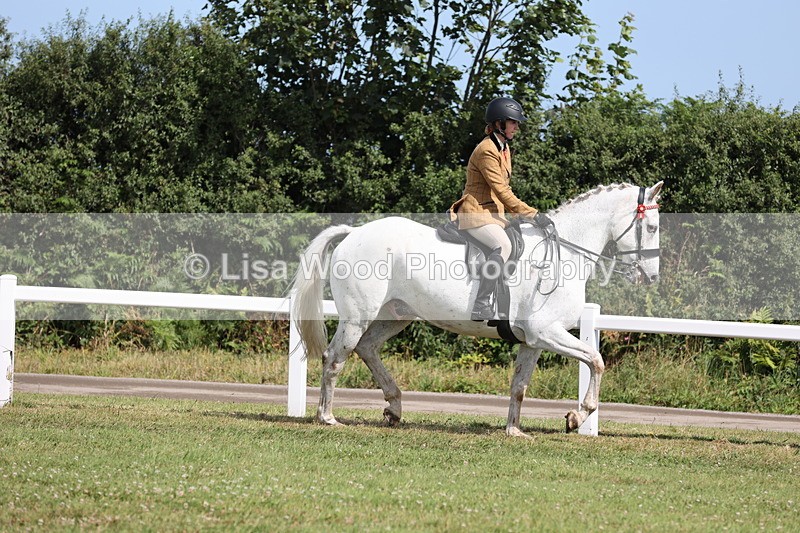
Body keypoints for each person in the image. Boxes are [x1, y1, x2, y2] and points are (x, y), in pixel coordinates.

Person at [449, 97, 539, 321]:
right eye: (513, 122)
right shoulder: (487, 150)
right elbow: (501, 190)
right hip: (475, 212)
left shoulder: (504, 148)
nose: (517, 127)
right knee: (502, 245)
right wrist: (531, 214)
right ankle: (480, 304)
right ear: (499, 123)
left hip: (493, 214)